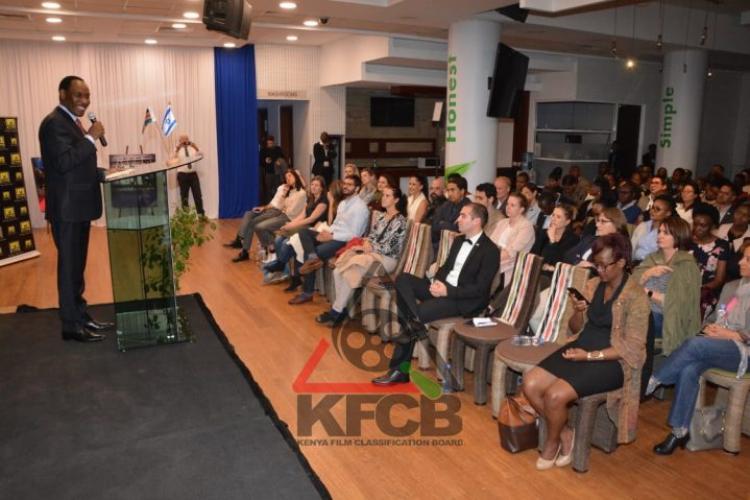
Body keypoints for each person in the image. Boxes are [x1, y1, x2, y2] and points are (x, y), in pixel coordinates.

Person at [523, 233, 649, 470]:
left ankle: (552, 443)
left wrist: (589, 356)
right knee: (530, 383)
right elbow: (575, 328)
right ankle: (565, 433)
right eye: (596, 264)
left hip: (613, 361)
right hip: (582, 346)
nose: (599, 270)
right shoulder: (593, 285)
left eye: (604, 265)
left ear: (622, 262)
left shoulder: (636, 296)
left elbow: (633, 347)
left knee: (554, 396)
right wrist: (579, 311)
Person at [371, 203, 500, 385]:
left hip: (463, 300)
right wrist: (436, 283)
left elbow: (480, 289)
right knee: (403, 279)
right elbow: (445, 268)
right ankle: (415, 324)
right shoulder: (459, 241)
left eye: (463, 216)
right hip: (443, 290)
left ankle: (399, 371)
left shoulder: (490, 250)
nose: (458, 219)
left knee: (413, 316)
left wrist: (448, 291)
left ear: (477, 221)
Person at [646, 242, 750, 455]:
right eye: (743, 257)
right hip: (718, 344)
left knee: (694, 344)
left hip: (743, 352)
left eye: (748, 259)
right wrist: (711, 328)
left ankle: (654, 380)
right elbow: (715, 316)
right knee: (688, 368)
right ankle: (679, 431)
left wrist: (728, 334)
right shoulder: (732, 287)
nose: (741, 262)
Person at [38, 75, 112, 342]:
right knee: (69, 269)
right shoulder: (53, 123)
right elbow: (64, 162)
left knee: (77, 267)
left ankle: (80, 316)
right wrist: (91, 138)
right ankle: (71, 325)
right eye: (78, 95)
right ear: (63, 94)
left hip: (79, 207)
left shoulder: (72, 123)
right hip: (67, 210)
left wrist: (106, 173)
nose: (84, 100)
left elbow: (78, 167)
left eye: (87, 95)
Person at [315, 186, 408, 325]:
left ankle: (336, 312)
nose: (383, 198)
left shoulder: (400, 221)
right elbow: (372, 236)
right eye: (383, 195)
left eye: (388, 196)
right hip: (370, 254)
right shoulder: (382, 217)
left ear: (396, 200)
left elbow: (390, 247)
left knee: (349, 273)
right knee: (337, 271)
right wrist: (366, 243)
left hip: (386, 259)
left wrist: (371, 247)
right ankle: (341, 309)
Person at [289, 175, 370, 305]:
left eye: (349, 185)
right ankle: (312, 258)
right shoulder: (343, 203)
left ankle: (307, 293)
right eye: (345, 184)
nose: (345, 186)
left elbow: (355, 235)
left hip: (345, 242)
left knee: (313, 252)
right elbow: (336, 224)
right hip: (333, 235)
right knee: (304, 232)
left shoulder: (360, 207)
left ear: (357, 188)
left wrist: (332, 236)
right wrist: (326, 232)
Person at [634, 216, 701, 354]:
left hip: (666, 317)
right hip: (642, 308)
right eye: (659, 231)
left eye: (666, 233)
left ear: (678, 236)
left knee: (640, 316)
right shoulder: (652, 258)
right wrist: (647, 273)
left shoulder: (687, 265)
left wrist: (647, 292)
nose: (660, 235)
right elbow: (631, 285)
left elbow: (679, 304)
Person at [227, 169, 305, 262]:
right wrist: (265, 207)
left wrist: (284, 202)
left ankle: (269, 249)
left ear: (296, 177)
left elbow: (289, 210)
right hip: (279, 213)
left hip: (285, 216)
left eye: (290, 176)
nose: (288, 179)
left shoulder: (301, 193)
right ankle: (263, 248)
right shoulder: (287, 190)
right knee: (250, 216)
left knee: (256, 225)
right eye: (286, 177)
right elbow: (279, 204)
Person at [688, 204, 729, 317]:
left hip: (706, 291)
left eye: (703, 225)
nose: (697, 228)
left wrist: (699, 290)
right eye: (695, 224)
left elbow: (719, 279)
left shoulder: (722, 245)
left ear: (712, 226)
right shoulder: (687, 241)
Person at [490, 192, 535, 286]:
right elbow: (490, 243)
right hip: (495, 259)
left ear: (521, 209)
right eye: (507, 204)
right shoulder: (502, 222)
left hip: (510, 266)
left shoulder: (526, 227)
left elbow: (511, 252)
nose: (508, 207)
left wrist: (489, 259)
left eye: (512, 205)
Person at [564, 207, 629, 265]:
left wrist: (586, 264)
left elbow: (603, 267)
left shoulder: (620, 246)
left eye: (603, 221)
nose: (597, 225)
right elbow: (567, 255)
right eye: (598, 221)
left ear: (616, 224)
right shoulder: (590, 239)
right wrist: (579, 262)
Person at [532, 204, 579, 274]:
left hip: (555, 275)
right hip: (537, 271)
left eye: (558, 217)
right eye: (553, 215)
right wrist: (543, 265)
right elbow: (534, 255)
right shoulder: (543, 233)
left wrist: (552, 241)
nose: (553, 219)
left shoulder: (573, 239)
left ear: (567, 222)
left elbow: (561, 262)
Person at [430, 176, 471, 255]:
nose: (449, 193)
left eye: (452, 190)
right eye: (448, 190)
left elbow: (458, 229)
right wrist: (449, 225)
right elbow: (435, 226)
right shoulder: (446, 204)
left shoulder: (468, 206)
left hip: (458, 247)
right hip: (441, 244)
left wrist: (443, 223)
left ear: (462, 191)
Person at [631, 194, 674, 263]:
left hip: (652, 265)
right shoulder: (643, 225)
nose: (652, 211)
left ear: (668, 213)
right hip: (634, 262)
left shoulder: (668, 231)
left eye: (658, 209)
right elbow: (632, 247)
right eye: (652, 207)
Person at [173, 134, 204, 216]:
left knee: (198, 195)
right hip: (182, 175)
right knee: (184, 197)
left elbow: (201, 154)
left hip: (193, 174)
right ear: (180, 141)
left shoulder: (192, 148)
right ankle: (186, 217)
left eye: (186, 139)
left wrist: (194, 146)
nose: (184, 141)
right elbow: (173, 158)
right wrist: (178, 148)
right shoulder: (177, 149)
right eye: (182, 139)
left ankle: (201, 215)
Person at [259, 135, 284, 204]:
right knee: (268, 190)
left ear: (273, 142)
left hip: (277, 172)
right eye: (268, 143)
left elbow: (282, 158)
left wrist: (279, 161)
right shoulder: (263, 151)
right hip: (268, 172)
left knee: (278, 189)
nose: (270, 145)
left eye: (271, 143)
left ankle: (278, 203)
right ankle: (269, 204)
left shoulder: (278, 149)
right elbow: (260, 162)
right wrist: (265, 161)